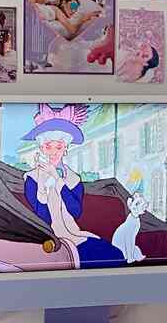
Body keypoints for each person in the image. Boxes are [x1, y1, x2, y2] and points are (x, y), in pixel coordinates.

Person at [21, 105, 125, 268]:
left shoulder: (73, 178)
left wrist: (57, 178)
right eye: (48, 146)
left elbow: (75, 211)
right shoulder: (32, 179)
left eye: (59, 147)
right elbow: (42, 218)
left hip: (76, 236)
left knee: (116, 256)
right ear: (41, 148)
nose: (53, 152)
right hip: (54, 241)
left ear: (66, 149)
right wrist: (43, 182)